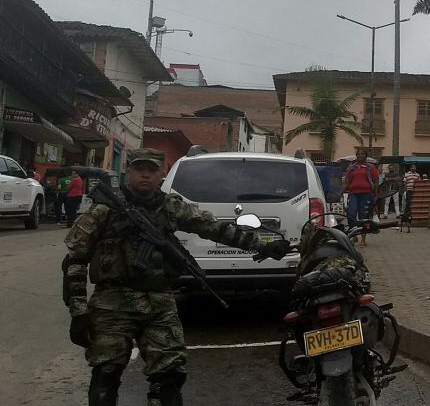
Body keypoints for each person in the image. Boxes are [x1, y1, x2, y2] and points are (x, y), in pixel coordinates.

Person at [62, 148, 290, 406]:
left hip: (159, 303)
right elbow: (75, 260)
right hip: (111, 303)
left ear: (162, 174)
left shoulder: (170, 207)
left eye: (152, 170)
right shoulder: (104, 208)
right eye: (139, 169)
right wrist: (78, 313)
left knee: (170, 375)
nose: (145, 175)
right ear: (129, 172)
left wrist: (262, 246)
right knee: (106, 373)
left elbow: (212, 227)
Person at [342, 149, 380, 231]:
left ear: (366, 156)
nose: (360, 155)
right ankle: (353, 233)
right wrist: (339, 193)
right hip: (353, 194)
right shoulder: (351, 168)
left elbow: (376, 181)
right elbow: (346, 182)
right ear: (356, 155)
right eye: (358, 154)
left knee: (364, 216)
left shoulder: (371, 167)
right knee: (351, 213)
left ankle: (363, 238)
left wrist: (376, 195)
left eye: (362, 154)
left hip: (366, 194)